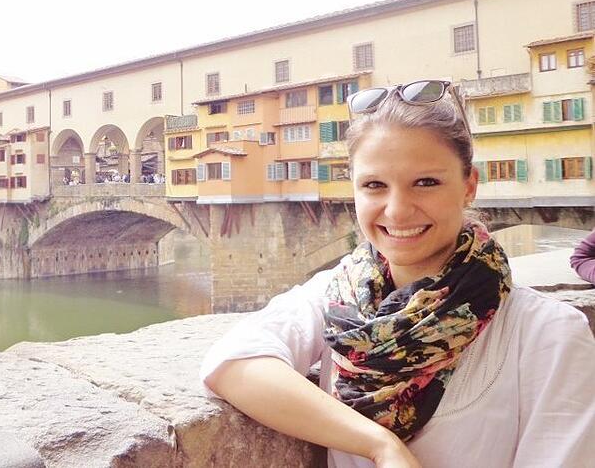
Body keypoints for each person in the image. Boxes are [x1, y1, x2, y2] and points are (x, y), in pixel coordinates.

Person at [201, 80, 595, 467]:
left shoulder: (548, 333)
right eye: (374, 185)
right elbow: (233, 362)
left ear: (468, 186)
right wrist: (380, 445)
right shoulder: (337, 298)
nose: (397, 210)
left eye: (426, 182)